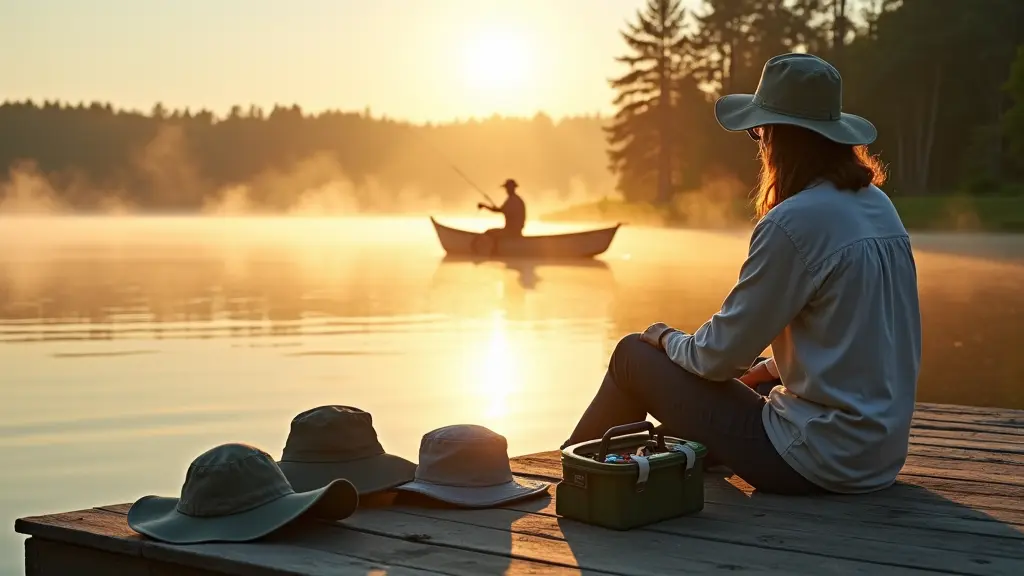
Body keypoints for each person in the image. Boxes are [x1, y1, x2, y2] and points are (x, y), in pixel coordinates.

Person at [562, 53, 922, 496]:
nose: (760, 144)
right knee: (750, 368)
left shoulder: (794, 222)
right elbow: (863, 339)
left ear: (777, 138)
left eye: (759, 133)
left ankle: (573, 475)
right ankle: (675, 454)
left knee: (633, 357)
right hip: (877, 457)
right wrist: (766, 370)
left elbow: (715, 359)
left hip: (815, 460)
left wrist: (663, 338)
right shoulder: (877, 206)